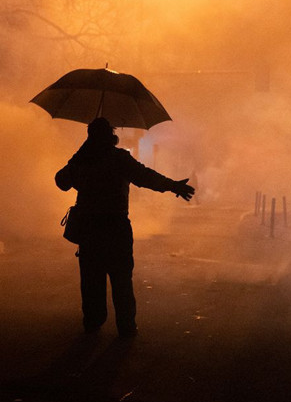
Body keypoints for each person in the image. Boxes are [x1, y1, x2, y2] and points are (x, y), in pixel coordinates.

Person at [55, 117, 195, 337]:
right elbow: (146, 177)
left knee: (92, 280)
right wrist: (173, 186)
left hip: (89, 230)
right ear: (111, 136)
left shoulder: (82, 159)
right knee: (121, 280)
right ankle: (126, 325)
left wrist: (77, 157)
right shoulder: (118, 159)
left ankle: (93, 322)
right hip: (116, 228)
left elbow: (61, 182)